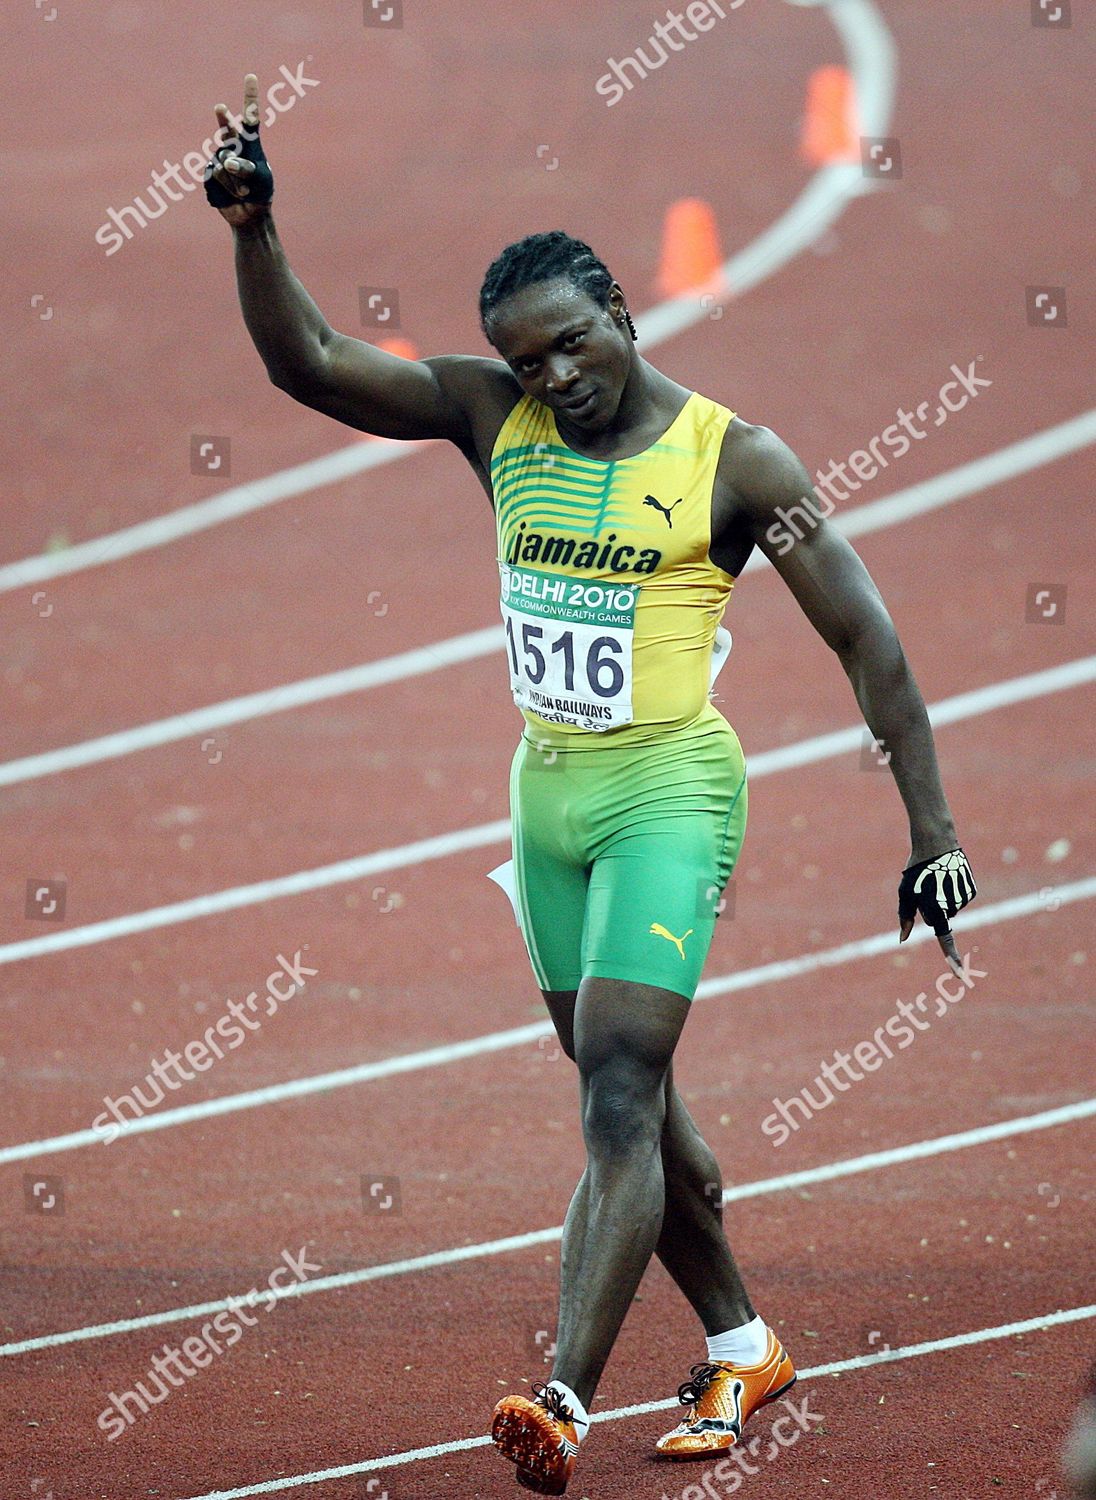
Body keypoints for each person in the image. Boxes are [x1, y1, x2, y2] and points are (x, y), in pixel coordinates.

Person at [205, 76, 977, 1497]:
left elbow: (868, 640)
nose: (555, 378)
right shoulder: (488, 416)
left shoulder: (735, 460)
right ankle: (742, 1342)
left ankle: (560, 1394)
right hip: (547, 800)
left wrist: (931, 829)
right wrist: (256, 230)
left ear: (621, 311)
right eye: (530, 360)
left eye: (573, 344)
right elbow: (307, 362)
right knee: (636, 1106)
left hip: (669, 792)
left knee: (619, 1087)